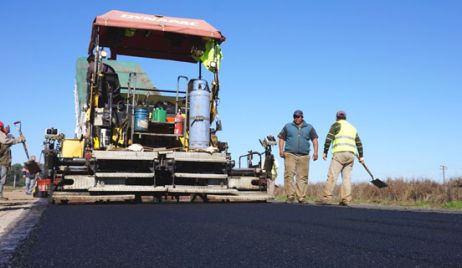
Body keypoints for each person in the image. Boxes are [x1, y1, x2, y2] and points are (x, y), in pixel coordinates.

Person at [320, 111, 364, 206]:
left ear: (337, 118)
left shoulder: (336, 125)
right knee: (347, 178)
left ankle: (326, 198)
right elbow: (359, 143)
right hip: (351, 155)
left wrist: (325, 152)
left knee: (332, 176)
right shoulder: (352, 127)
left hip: (339, 154)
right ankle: (346, 199)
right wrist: (361, 156)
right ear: (345, 118)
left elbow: (329, 138)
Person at [278, 110, 318, 203]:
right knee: (289, 175)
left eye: (298, 116)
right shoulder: (288, 126)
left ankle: (301, 197)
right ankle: (290, 196)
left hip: (304, 156)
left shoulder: (309, 127)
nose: (297, 118)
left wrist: (315, 152)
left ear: (302, 117)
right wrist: (281, 150)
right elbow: (281, 138)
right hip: (290, 154)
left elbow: (315, 140)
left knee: (303, 177)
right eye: (295, 116)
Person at [0, 122, 24, 200]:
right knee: (1, 180)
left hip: (4, 162)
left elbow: (9, 141)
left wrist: (19, 139)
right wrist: (19, 139)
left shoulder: (5, 136)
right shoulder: (2, 136)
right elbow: (6, 141)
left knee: (2, 180)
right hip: (3, 162)